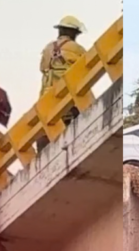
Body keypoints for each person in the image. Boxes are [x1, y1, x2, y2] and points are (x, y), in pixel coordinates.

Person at [36, 15, 87, 154]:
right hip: (67, 97)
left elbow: (42, 68)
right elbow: (86, 69)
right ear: (73, 33)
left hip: (46, 97)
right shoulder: (77, 49)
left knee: (45, 130)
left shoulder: (48, 49)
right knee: (81, 120)